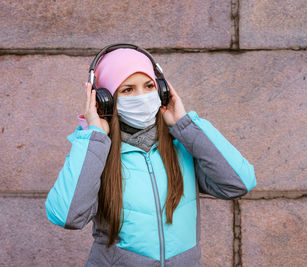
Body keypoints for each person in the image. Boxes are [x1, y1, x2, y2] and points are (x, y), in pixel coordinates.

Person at [45, 45, 257, 267]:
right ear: (104, 99)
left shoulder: (182, 145)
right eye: (127, 90)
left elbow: (240, 183)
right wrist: (94, 137)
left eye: (149, 86)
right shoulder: (97, 152)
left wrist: (186, 125)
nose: (143, 97)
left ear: (162, 91)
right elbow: (66, 215)